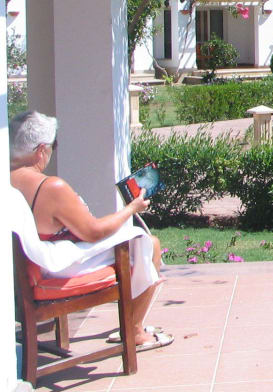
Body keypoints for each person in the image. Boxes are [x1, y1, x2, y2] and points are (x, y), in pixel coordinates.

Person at [9, 111, 173, 351]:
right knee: (149, 244)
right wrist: (132, 208)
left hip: (31, 263)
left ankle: (131, 325)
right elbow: (93, 232)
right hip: (56, 266)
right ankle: (135, 330)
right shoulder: (50, 187)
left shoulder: (8, 179)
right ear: (41, 149)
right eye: (54, 145)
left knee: (138, 242)